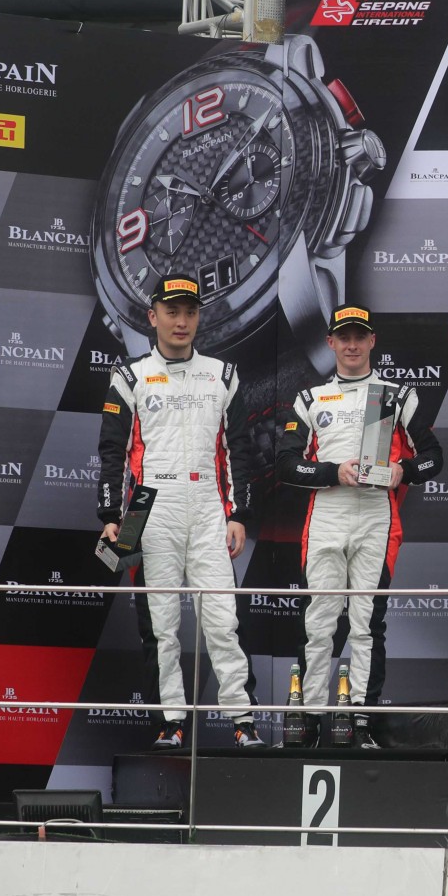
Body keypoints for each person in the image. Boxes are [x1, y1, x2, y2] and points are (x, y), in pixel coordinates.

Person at [98, 275, 264, 750]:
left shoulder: (223, 374)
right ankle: (170, 721)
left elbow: (238, 449)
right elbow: (112, 450)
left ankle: (243, 720)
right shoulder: (129, 375)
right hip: (149, 505)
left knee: (223, 620)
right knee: (161, 623)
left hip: (208, 503)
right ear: (153, 316)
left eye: (190, 311)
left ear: (198, 317)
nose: (181, 321)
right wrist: (110, 514)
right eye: (172, 311)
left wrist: (238, 513)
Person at [279, 305, 444, 745]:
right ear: (330, 342)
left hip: (375, 515)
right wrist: (334, 472)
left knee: (367, 623)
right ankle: (309, 722)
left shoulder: (396, 395)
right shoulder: (310, 398)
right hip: (327, 515)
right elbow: (286, 464)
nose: (351, 345)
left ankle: (360, 722)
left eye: (359, 337)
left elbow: (434, 457)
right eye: (343, 337)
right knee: (319, 623)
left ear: (372, 341)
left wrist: (403, 472)